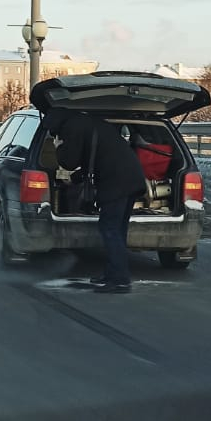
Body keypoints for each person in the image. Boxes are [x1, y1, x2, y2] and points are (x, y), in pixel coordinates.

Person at [43, 108, 147, 294]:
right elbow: (92, 159)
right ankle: (113, 273)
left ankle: (120, 280)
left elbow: (69, 161)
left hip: (116, 181)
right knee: (117, 229)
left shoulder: (71, 128)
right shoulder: (85, 122)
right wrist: (73, 179)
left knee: (109, 228)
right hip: (131, 178)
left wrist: (58, 146)